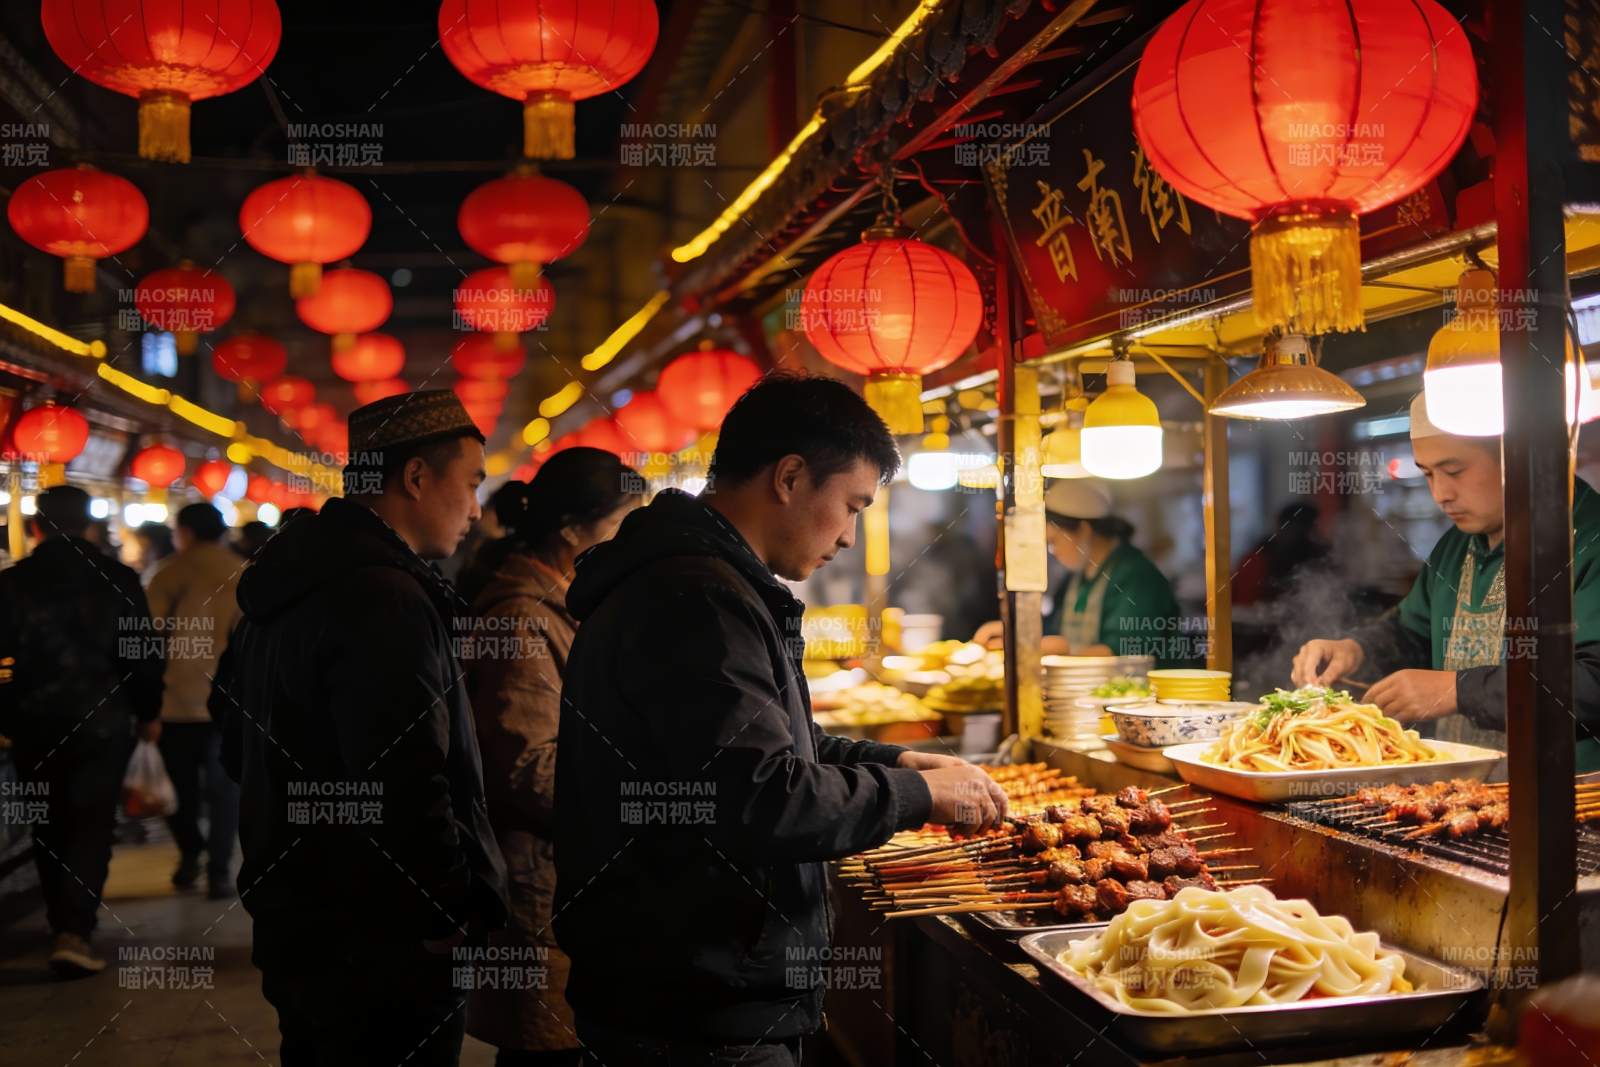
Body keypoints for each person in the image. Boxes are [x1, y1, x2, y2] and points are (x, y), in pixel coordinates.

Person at [555, 373, 1007, 1065]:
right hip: (695, 1010)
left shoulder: (709, 582)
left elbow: (775, 749)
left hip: (688, 990)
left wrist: (896, 763)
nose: (852, 537)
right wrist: (919, 797)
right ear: (791, 476)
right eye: (851, 505)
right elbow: (760, 794)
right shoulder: (699, 598)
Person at [221, 390, 508, 1064]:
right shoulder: (384, 596)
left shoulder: (287, 581)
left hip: (300, 916)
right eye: (470, 484)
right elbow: (407, 780)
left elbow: (234, 743)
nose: (475, 510)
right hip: (382, 937)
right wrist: (447, 907)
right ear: (415, 477)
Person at [1291, 394, 1600, 772]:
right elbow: (1413, 631)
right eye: (1427, 474)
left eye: (1453, 471)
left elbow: (1592, 682)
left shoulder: (1589, 541)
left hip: (1574, 810)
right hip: (1464, 800)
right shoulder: (1457, 546)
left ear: (1519, 457)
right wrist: (1355, 650)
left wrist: (1458, 691)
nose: (1441, 495)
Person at [464, 448, 643, 1066]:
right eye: (623, 524)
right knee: (547, 1049)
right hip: (541, 888)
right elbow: (529, 768)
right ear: (573, 530)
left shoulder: (566, 602)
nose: (631, 542)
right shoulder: (520, 618)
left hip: (571, 878)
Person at [0, 486, 164, 976]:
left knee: (48, 824)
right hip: (103, 723)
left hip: (33, 724)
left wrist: (6, 709)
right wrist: (148, 711)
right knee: (91, 823)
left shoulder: (12, 584)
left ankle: (62, 925)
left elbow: (1, 662)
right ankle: (76, 930)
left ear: (34, 526)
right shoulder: (118, 579)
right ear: (91, 524)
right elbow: (141, 656)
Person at [973, 480, 1186, 666]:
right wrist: (1012, 632)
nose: (1052, 551)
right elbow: (1052, 630)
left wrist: (1041, 649)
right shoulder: (1076, 579)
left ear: (1084, 530)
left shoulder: (1137, 577)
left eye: (1053, 542)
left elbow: (1120, 651)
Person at [145, 502, 242, 899]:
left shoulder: (166, 573)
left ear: (184, 531)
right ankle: (219, 871)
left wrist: (145, 704)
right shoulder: (245, 572)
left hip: (175, 702)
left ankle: (189, 856)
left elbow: (148, 642)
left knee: (179, 789)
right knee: (225, 792)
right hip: (228, 702)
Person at [1232, 502, 1330, 606]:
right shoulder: (1257, 560)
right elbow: (1246, 604)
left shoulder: (1320, 559)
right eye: (1313, 529)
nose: (1318, 536)